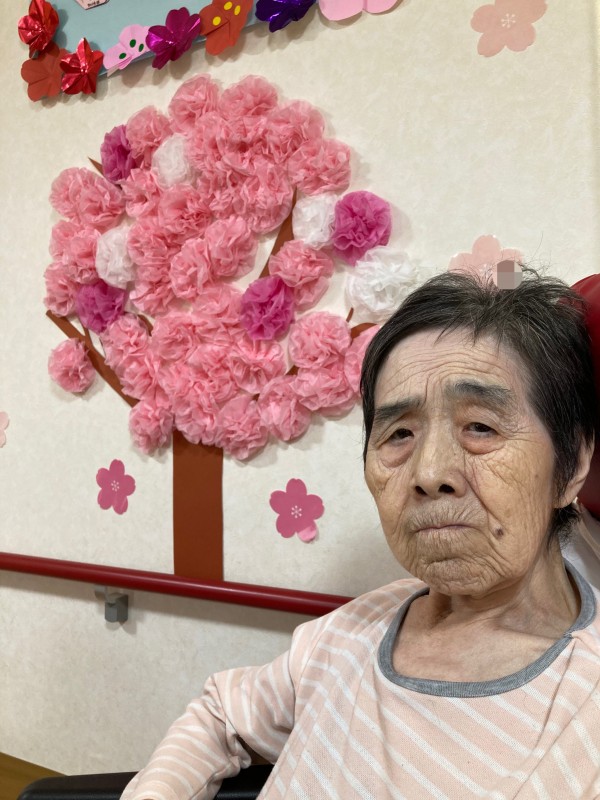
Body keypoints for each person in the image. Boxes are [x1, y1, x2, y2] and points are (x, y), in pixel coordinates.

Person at [122, 268, 600, 800]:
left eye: (480, 427)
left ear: (573, 464)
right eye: (399, 434)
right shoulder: (351, 630)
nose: (428, 472)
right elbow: (220, 716)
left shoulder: (585, 710)